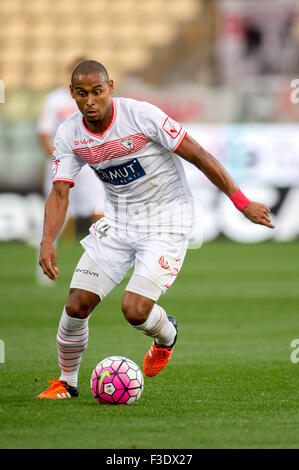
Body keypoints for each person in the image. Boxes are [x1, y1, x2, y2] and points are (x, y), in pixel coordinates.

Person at [37, 60, 274, 399]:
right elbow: (60, 191)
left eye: (96, 92)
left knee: (134, 311)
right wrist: (47, 240)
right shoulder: (69, 134)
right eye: (80, 94)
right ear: (72, 95)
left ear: (111, 88)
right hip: (118, 222)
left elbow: (200, 155)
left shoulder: (141, 116)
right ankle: (67, 382)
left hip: (167, 220)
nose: (89, 101)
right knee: (76, 305)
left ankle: (166, 337)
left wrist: (241, 201)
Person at [36, 58, 105, 284]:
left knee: (98, 210)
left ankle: (104, 263)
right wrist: (57, 159)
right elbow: (44, 133)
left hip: (90, 164)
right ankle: (45, 264)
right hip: (63, 162)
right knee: (55, 211)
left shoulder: (98, 100)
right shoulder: (54, 99)